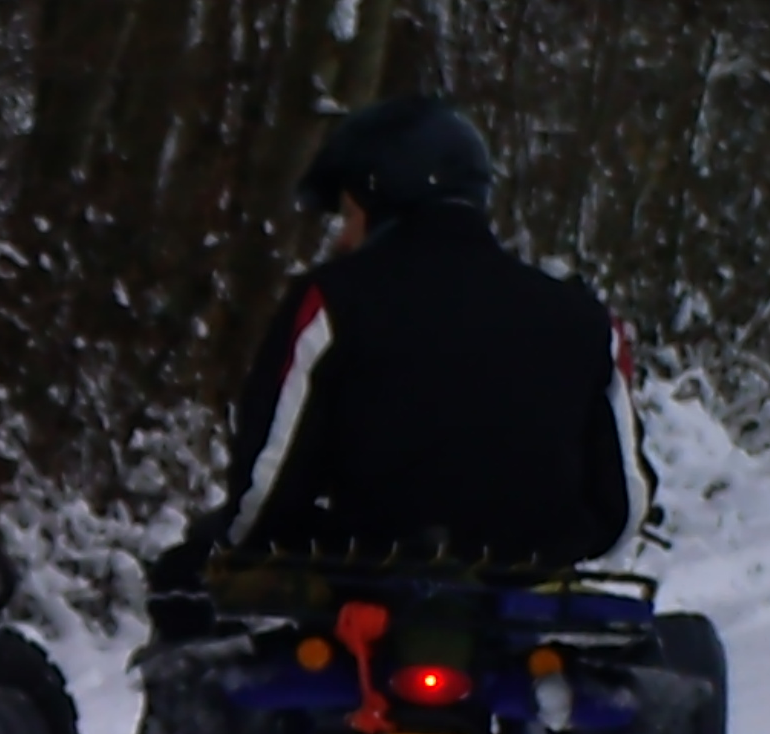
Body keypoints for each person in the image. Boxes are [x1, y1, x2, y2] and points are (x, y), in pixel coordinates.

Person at [221, 95, 649, 568]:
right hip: (530, 598)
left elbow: (264, 490)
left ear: (382, 196)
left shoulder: (335, 300)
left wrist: (227, 546)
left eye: (349, 214)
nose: (343, 238)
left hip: (363, 587)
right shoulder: (585, 320)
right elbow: (623, 510)